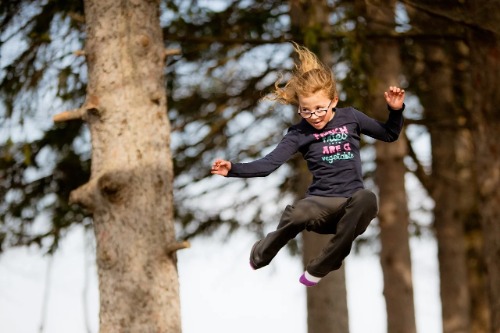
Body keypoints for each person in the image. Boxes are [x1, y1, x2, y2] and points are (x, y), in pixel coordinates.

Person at [210, 42, 405, 287]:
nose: (314, 117)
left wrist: (395, 111)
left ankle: (322, 266)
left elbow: (389, 134)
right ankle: (261, 252)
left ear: (334, 101)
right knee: (298, 212)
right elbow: (268, 165)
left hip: (351, 207)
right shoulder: (298, 133)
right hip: (320, 207)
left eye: (319, 109)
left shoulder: (351, 117)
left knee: (368, 198)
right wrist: (233, 169)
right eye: (306, 111)